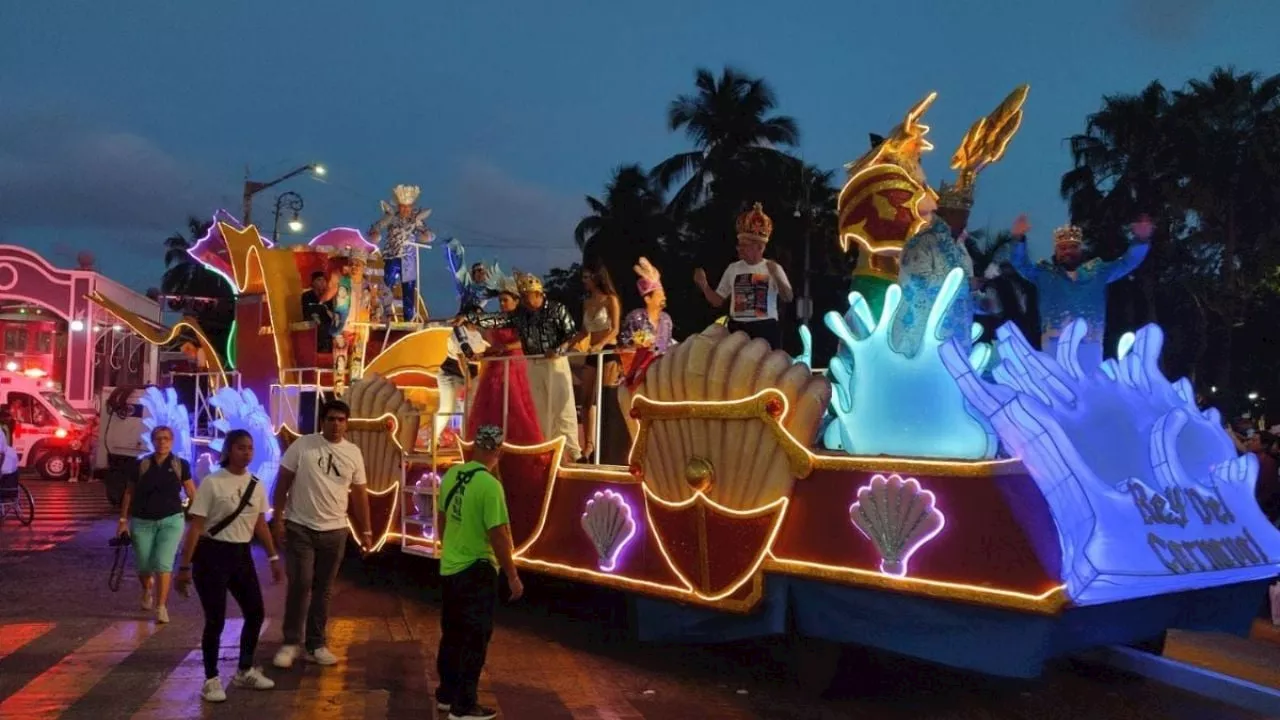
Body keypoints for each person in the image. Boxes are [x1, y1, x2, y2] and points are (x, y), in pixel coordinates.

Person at [175, 429, 282, 703]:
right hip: (211, 554)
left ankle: (244, 669)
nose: (246, 453)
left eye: (249, 448)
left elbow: (259, 524)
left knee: (255, 612)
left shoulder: (256, 484)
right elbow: (196, 527)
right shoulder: (212, 483)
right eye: (240, 448)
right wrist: (184, 567)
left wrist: (272, 557)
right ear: (228, 451)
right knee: (216, 619)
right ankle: (211, 680)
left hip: (241, 555)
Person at [270, 399, 374, 669]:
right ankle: (291, 642)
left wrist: (366, 530)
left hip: (335, 531)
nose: (336, 424)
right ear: (322, 421)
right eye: (331, 419)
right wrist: (278, 517)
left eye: (341, 420)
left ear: (347, 424)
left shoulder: (353, 453)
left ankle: (316, 643)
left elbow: (360, 494)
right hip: (300, 526)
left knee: (324, 589)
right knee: (301, 582)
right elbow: (282, 481)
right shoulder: (303, 446)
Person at [434, 425, 523, 720]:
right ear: (498, 450)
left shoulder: (451, 476)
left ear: (474, 447)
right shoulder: (490, 486)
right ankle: (464, 706)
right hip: (477, 569)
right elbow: (498, 534)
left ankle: (446, 695)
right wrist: (512, 575)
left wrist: (449, 548)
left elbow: (442, 519)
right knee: (475, 638)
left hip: (450, 567)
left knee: (452, 634)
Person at [1009, 214, 1153, 371]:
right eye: (1062, 248)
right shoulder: (1044, 274)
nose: (1067, 252)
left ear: (1080, 249)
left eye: (1073, 247)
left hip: (1090, 344)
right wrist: (1018, 238)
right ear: (1056, 252)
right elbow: (1020, 263)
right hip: (1054, 345)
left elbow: (1127, 262)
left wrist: (1141, 240)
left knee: (1089, 391)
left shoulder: (1098, 271)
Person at [462, 272, 581, 460]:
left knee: (562, 408)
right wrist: (469, 318)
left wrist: (558, 348)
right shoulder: (522, 315)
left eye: (527, 297)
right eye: (523, 297)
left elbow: (572, 334)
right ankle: (550, 453)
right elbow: (496, 320)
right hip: (533, 363)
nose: (525, 301)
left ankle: (574, 453)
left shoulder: (557, 310)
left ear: (538, 294)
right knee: (541, 411)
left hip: (554, 363)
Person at [116, 426, 195, 623]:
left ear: (172, 441)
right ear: (152, 441)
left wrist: (201, 516)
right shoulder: (141, 465)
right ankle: (147, 588)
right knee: (144, 564)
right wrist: (123, 521)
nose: (162, 442)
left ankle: (161, 606)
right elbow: (129, 492)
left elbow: (191, 489)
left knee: (164, 562)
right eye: (158, 439)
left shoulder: (180, 464)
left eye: (166, 439)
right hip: (142, 520)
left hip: (172, 520)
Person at [890, 189, 977, 357]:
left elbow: (966, 296)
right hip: (923, 335)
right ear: (948, 214)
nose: (965, 223)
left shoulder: (961, 251)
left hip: (957, 341)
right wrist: (965, 285)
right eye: (962, 217)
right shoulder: (922, 242)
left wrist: (982, 303)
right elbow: (918, 281)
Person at [693, 202, 793, 347]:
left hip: (765, 328)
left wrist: (776, 275)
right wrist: (704, 285)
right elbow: (718, 301)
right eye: (739, 245)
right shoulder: (733, 268)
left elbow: (788, 297)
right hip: (738, 328)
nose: (739, 249)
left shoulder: (773, 267)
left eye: (744, 245)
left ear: (759, 247)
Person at [464, 279, 544, 446]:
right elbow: (493, 344)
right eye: (500, 301)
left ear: (516, 301)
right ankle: (490, 443)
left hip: (514, 362)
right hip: (497, 365)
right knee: (493, 404)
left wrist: (505, 347)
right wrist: (484, 353)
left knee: (515, 401)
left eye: (505, 300)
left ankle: (517, 442)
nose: (502, 304)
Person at [567, 264, 621, 463]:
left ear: (597, 278)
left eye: (587, 276)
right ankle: (588, 445)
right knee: (585, 397)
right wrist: (566, 344)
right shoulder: (587, 302)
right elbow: (583, 332)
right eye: (583, 277)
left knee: (606, 396)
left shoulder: (610, 300)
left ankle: (608, 443)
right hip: (592, 352)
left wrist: (600, 344)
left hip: (607, 351)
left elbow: (615, 329)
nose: (584, 280)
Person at [620, 257, 674, 353]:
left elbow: (668, 343)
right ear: (648, 299)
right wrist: (636, 344)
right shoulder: (635, 316)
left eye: (663, 294)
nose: (664, 298)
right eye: (659, 295)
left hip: (662, 364)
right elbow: (625, 340)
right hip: (641, 364)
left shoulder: (666, 319)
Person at [301, 271, 337, 352]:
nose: (322, 283)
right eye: (319, 280)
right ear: (313, 283)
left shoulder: (329, 296)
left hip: (327, 326)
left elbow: (332, 312)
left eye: (324, 280)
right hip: (313, 325)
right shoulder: (306, 296)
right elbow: (307, 312)